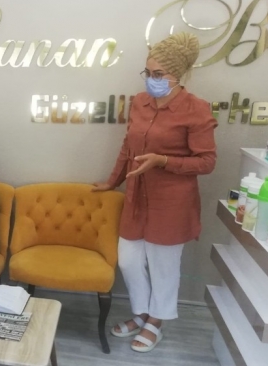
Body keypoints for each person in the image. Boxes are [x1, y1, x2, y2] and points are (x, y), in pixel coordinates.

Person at [93, 32, 217, 353]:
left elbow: (206, 162)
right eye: (148, 72)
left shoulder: (196, 109)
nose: (151, 79)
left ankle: (156, 321)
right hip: (137, 196)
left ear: (178, 75)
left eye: (158, 74)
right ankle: (142, 313)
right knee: (128, 261)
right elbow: (128, 146)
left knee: (164, 266)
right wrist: (112, 182)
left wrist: (163, 161)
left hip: (172, 201)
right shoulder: (140, 102)